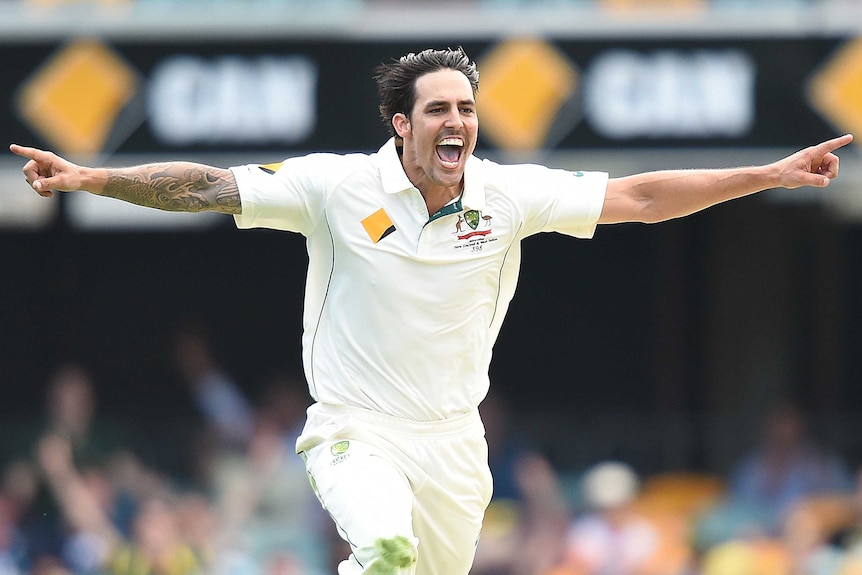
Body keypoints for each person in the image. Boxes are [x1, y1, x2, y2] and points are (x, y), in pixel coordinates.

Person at [8, 47, 853, 575]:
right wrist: (91, 179)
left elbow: (636, 195)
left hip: (455, 443)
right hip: (354, 427)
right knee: (383, 549)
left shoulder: (507, 196)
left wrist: (767, 174)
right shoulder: (336, 187)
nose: (459, 122)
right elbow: (209, 185)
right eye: (440, 109)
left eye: (468, 109)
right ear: (400, 125)